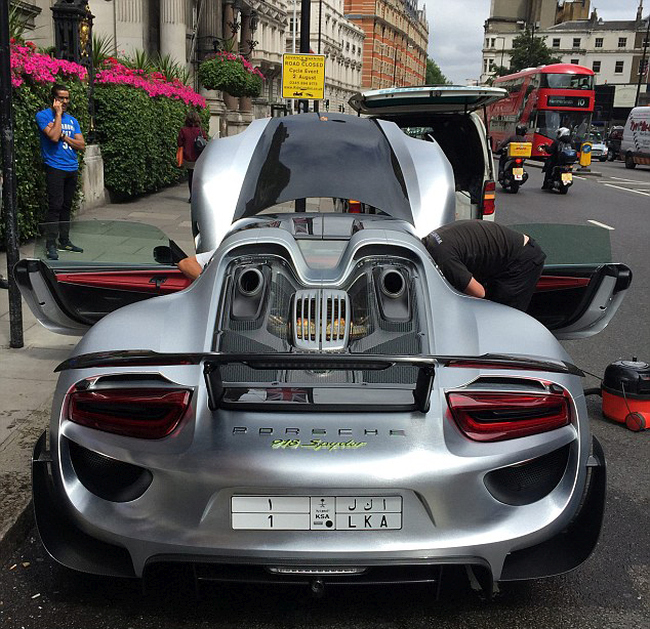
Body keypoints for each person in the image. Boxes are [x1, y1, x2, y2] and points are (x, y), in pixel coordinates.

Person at [422, 220, 546, 312]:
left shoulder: (444, 259)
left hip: (521, 260)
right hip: (506, 255)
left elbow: (479, 293)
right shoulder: (430, 240)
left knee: (503, 317)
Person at [35, 83, 86, 260]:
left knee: (66, 206)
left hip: (71, 167)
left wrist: (65, 136)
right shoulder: (42, 116)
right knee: (55, 206)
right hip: (55, 167)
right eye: (61, 98)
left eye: (66, 98)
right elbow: (53, 137)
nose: (65, 101)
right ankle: (51, 244)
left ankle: (64, 240)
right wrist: (57, 115)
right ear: (54, 99)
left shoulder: (73, 120)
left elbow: (82, 144)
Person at [177, 110, 207, 202]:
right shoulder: (200, 130)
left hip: (188, 156)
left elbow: (179, 143)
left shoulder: (183, 130)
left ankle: (191, 196)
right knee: (198, 178)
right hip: (199, 156)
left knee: (190, 177)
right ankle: (198, 196)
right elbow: (205, 141)